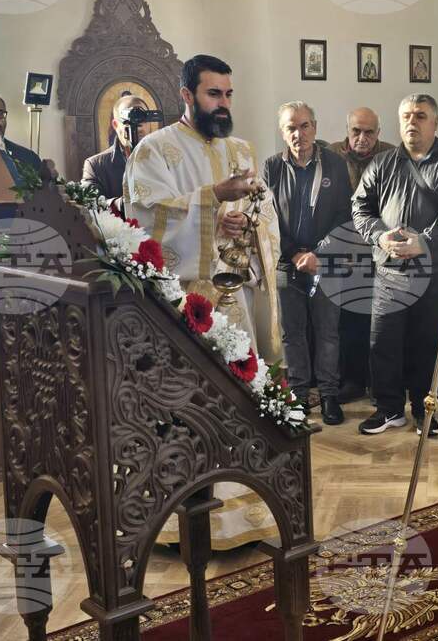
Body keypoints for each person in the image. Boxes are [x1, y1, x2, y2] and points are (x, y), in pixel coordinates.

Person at [124, 54, 282, 551]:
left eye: (229, 94)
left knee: (236, 406)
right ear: (187, 95)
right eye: (214, 94)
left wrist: (246, 223)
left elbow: (264, 211)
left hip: (231, 303)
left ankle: (240, 523)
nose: (223, 104)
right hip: (181, 310)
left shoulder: (241, 149)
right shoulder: (154, 151)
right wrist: (213, 199)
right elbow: (145, 221)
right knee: (184, 410)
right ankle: (177, 526)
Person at [352, 94, 438, 437]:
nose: (412, 122)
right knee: (382, 342)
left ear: (436, 123)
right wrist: (381, 237)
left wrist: (425, 241)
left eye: (420, 115)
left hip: (434, 272)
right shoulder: (382, 163)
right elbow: (360, 208)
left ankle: (422, 409)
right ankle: (388, 410)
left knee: (426, 343)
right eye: (406, 116)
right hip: (388, 271)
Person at [262, 102, 352, 426]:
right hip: (287, 263)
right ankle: (299, 396)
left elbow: (345, 216)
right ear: (282, 132)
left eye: (303, 126)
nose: (298, 133)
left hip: (326, 262)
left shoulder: (336, 165)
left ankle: (329, 395)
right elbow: (267, 218)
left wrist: (320, 254)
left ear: (314, 127)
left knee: (328, 332)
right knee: (292, 333)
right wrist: (294, 254)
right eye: (290, 127)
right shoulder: (271, 167)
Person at [329, 107, 394, 402]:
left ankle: (380, 383)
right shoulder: (330, 155)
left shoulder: (393, 156)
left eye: (369, 132)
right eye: (356, 131)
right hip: (343, 251)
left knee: (381, 321)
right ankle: (353, 380)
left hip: (382, 250)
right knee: (349, 320)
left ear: (379, 133)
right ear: (347, 130)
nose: (362, 138)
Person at [82, 94, 152, 208]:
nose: (137, 127)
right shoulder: (95, 166)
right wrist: (125, 204)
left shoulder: (164, 158)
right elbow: (91, 207)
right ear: (115, 125)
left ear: (149, 122)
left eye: (141, 118)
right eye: (128, 120)